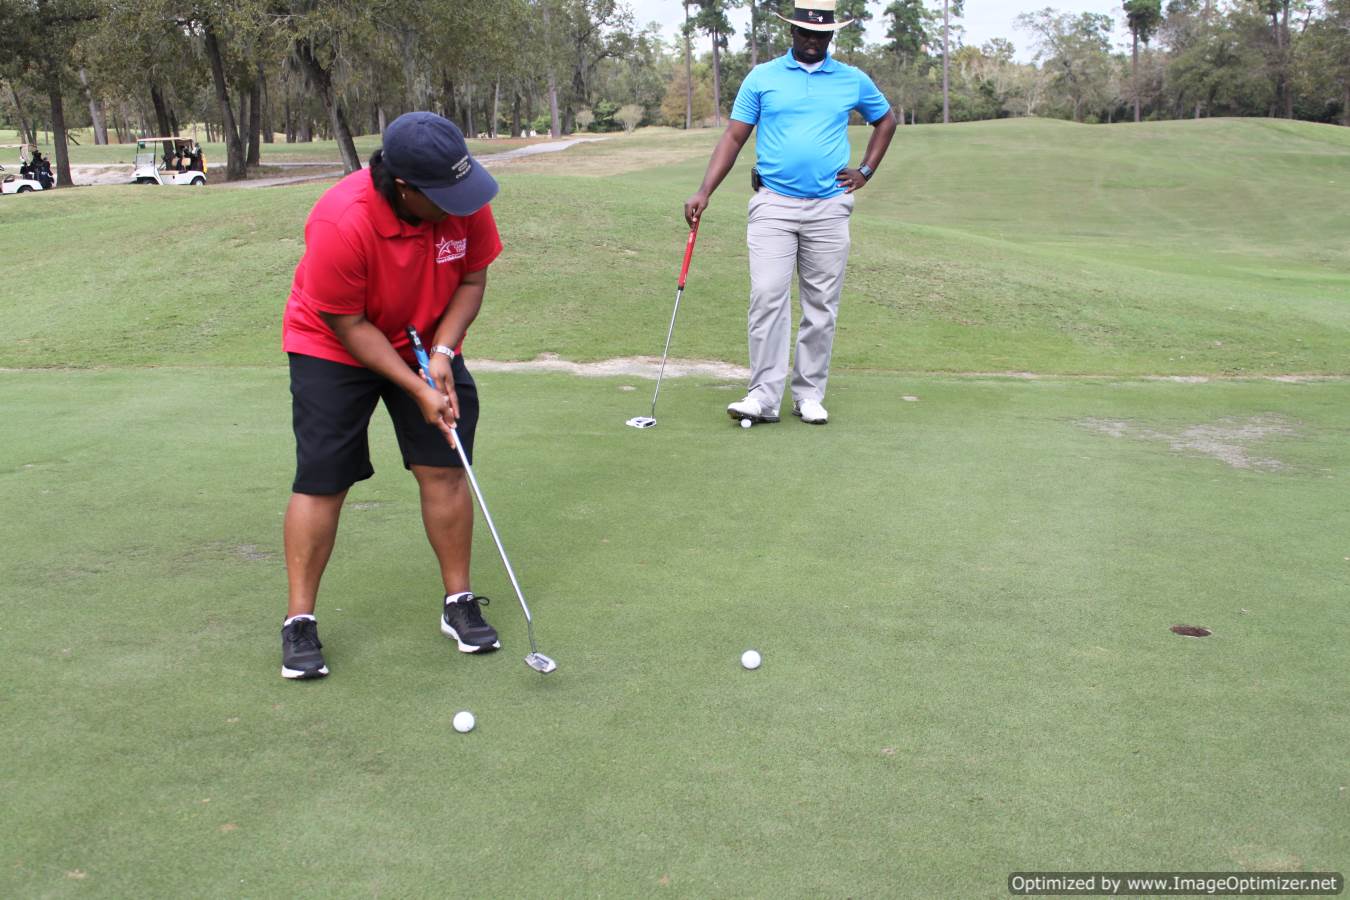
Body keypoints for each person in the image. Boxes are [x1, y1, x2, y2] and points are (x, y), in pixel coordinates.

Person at [279, 111, 503, 680]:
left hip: (426, 339)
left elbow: (473, 281)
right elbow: (348, 324)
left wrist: (444, 355)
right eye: (446, 195)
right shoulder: (341, 220)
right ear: (404, 187)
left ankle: (459, 603)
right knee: (324, 477)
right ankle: (299, 621)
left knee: (445, 467)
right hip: (332, 343)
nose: (462, 203)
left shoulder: (462, 196)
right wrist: (414, 386)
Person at [684, 0, 896, 426]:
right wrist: (705, 190)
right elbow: (733, 137)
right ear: (791, 33)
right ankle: (762, 396)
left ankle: (809, 394)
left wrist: (866, 171)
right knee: (767, 296)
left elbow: (886, 120)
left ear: (831, 36)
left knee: (821, 304)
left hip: (829, 208)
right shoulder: (763, 77)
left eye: (821, 35)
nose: (813, 41)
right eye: (805, 33)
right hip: (773, 204)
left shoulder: (851, 79)